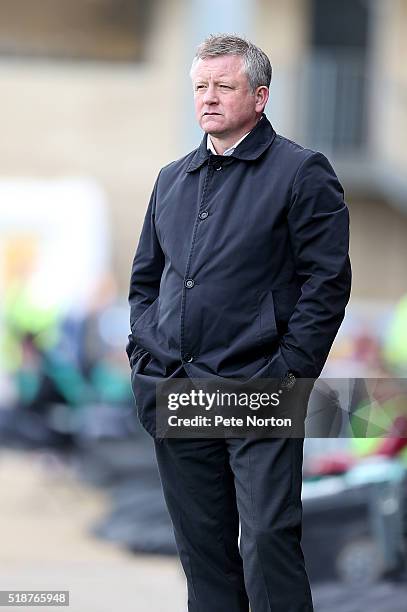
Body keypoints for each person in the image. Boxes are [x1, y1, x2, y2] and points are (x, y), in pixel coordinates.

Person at [127, 34, 351, 612]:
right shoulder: (172, 178)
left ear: (260, 96)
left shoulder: (303, 172)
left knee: (269, 544)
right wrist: (146, 362)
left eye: (224, 86)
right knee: (203, 555)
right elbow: (147, 281)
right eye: (200, 86)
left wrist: (288, 373)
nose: (208, 98)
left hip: (261, 389)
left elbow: (326, 285)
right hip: (178, 389)